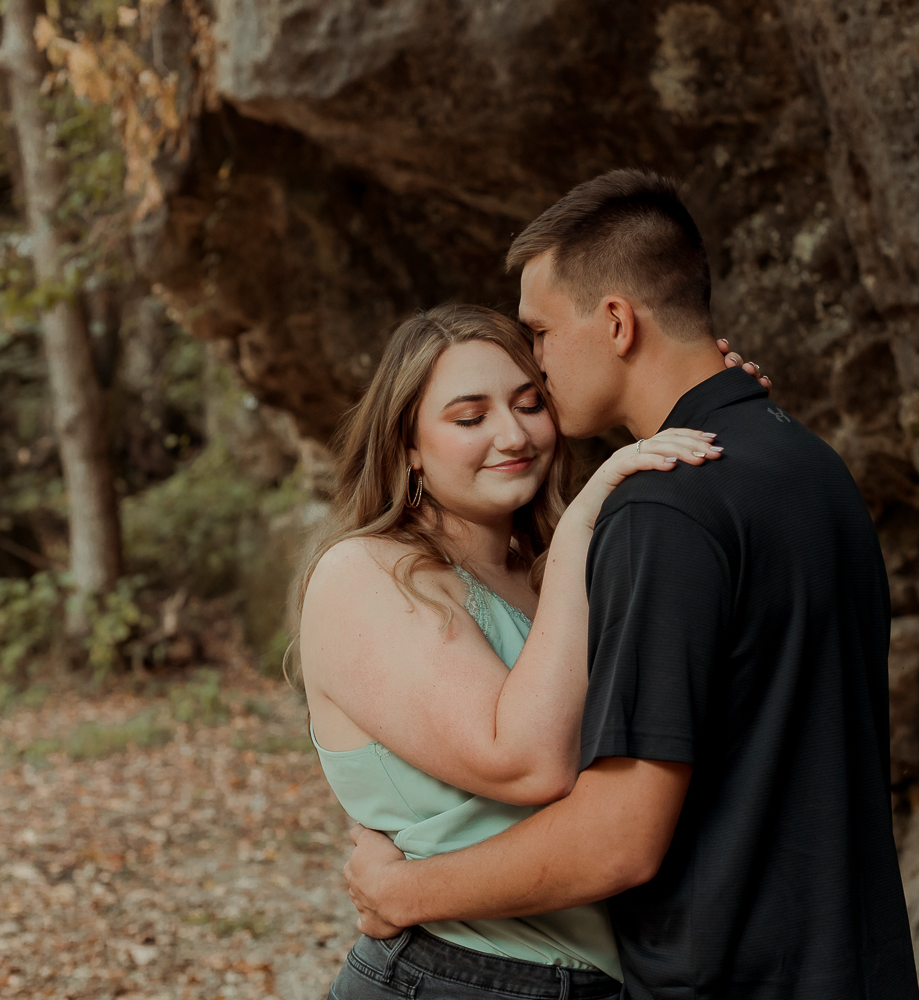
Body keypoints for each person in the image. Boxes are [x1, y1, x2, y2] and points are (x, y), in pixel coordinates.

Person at [342, 170, 919, 1000]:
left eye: (539, 333)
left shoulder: (663, 508)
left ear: (615, 321)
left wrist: (401, 892)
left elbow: (618, 839)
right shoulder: (804, 462)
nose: (537, 367)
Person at [298, 302, 735, 999]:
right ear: (407, 445)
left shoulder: (544, 573)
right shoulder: (365, 574)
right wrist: (587, 517)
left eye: (530, 404)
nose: (512, 434)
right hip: (449, 976)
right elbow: (530, 761)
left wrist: (711, 401)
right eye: (469, 418)